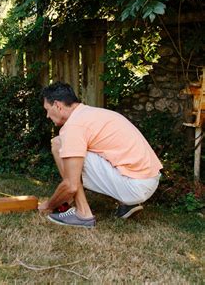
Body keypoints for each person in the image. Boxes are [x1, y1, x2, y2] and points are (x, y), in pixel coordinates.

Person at [38, 82, 162, 228]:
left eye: (47, 109)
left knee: (60, 145)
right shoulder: (91, 113)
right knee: (65, 143)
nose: (47, 115)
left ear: (58, 105)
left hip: (135, 185)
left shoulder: (74, 126)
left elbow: (70, 185)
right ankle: (127, 204)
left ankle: (83, 214)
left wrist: (48, 205)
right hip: (149, 179)